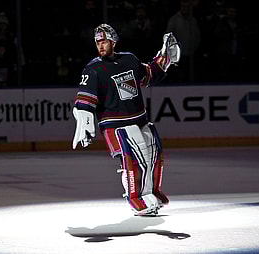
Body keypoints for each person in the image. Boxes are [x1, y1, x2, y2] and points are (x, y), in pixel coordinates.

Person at [72, 24, 180, 216]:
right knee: (134, 158)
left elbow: (149, 75)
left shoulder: (129, 59)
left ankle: (152, 192)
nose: (100, 45)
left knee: (153, 154)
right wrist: (84, 120)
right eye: (97, 42)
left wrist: (165, 58)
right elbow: (84, 99)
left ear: (113, 41)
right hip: (114, 124)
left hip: (139, 118)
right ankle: (135, 197)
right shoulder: (93, 69)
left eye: (104, 41)